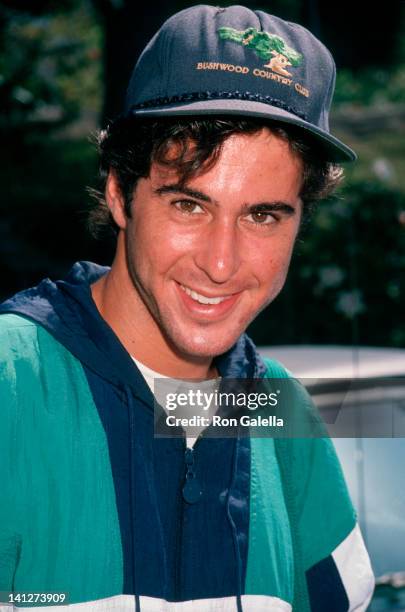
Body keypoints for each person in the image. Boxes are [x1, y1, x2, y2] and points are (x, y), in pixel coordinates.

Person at [0, 5, 375, 611]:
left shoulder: (283, 413)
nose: (221, 264)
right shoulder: (12, 383)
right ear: (120, 193)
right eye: (188, 206)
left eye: (262, 216)